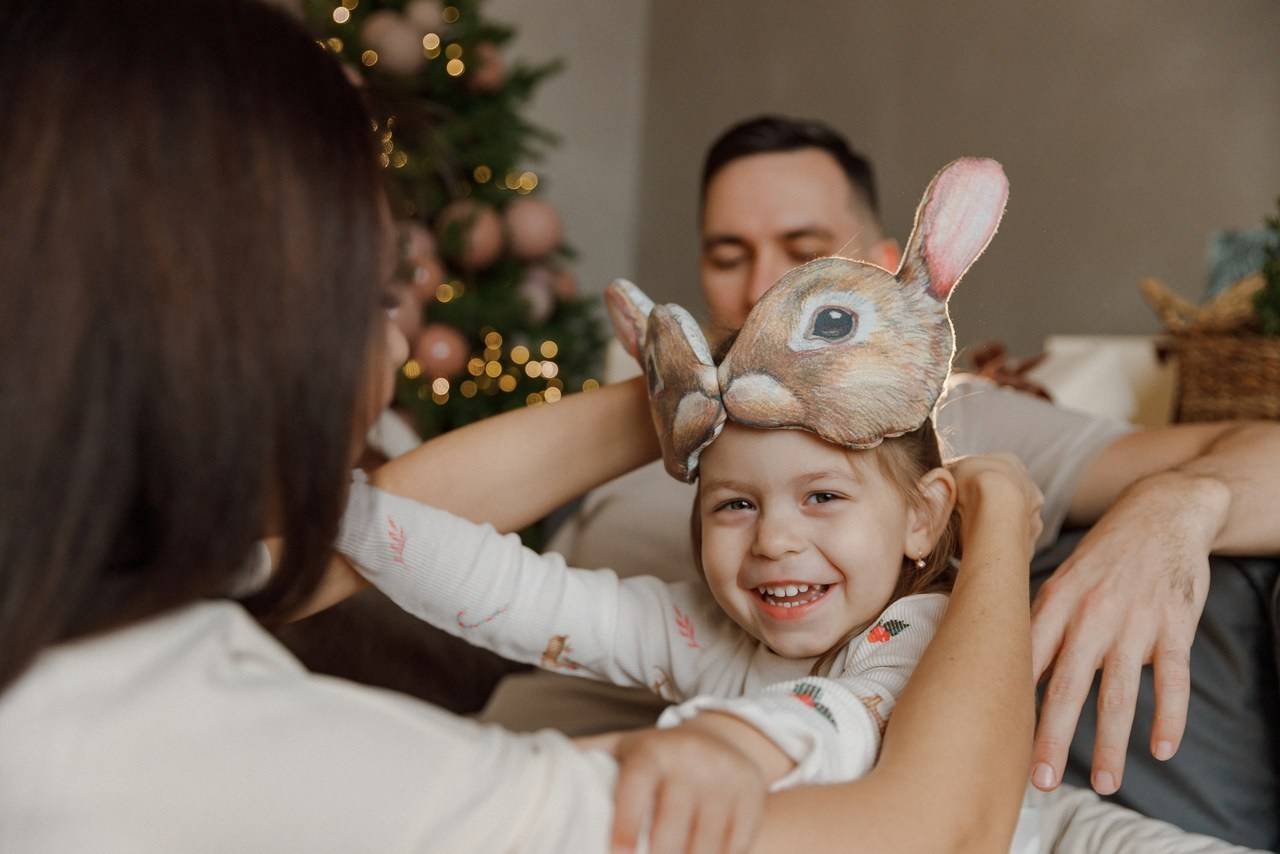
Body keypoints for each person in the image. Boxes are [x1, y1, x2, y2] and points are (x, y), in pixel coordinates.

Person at [0, 3, 1040, 851]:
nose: (400, 349)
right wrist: (998, 528)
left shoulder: (79, 593)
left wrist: (745, 373)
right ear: (233, 339)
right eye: (371, 301)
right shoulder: (201, 738)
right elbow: (930, 829)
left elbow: (362, 525)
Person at [479, 115, 1280, 849]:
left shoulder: (938, 422)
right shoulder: (666, 422)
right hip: (488, 765)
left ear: (881, 265)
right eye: (727, 256)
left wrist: (1181, 502)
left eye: (804, 251)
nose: (761, 286)